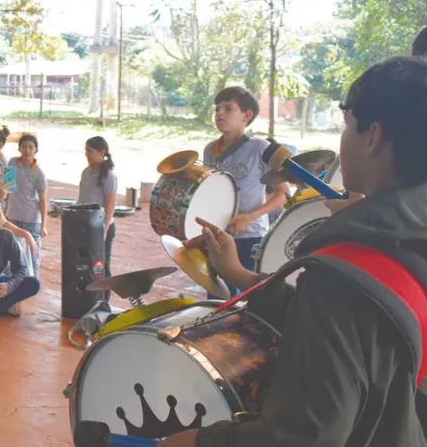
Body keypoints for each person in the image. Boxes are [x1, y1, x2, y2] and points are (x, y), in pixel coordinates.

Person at [159, 57, 427, 446]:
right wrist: (239, 274)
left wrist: (196, 442)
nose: (343, 141)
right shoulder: (406, 242)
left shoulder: (348, 275)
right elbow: (357, 332)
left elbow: (305, 435)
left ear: (373, 136)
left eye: (347, 126)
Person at [203, 86, 289, 294]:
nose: (220, 113)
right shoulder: (209, 150)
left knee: (243, 299)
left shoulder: (260, 147)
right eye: (217, 109)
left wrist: (249, 217)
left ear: (246, 116)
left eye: (228, 108)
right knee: (216, 296)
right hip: (217, 235)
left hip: (249, 237)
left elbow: (283, 193)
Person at [79, 136, 118, 271]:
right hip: (85, 224)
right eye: (86, 151)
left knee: (100, 266)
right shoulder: (86, 172)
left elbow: (110, 206)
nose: (86, 154)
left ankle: (103, 292)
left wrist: (104, 229)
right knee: (84, 265)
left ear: (101, 153)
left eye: (90, 151)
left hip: (99, 226)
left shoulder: (108, 176)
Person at [6, 134, 49, 250]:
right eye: (24, 147)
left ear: (36, 150)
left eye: (31, 147)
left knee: (32, 254)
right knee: (12, 252)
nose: (27, 150)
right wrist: (4, 210)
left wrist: (43, 225)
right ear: (19, 149)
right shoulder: (12, 162)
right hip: (13, 217)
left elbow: (43, 199)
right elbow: (7, 187)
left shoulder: (38, 173)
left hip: (31, 220)